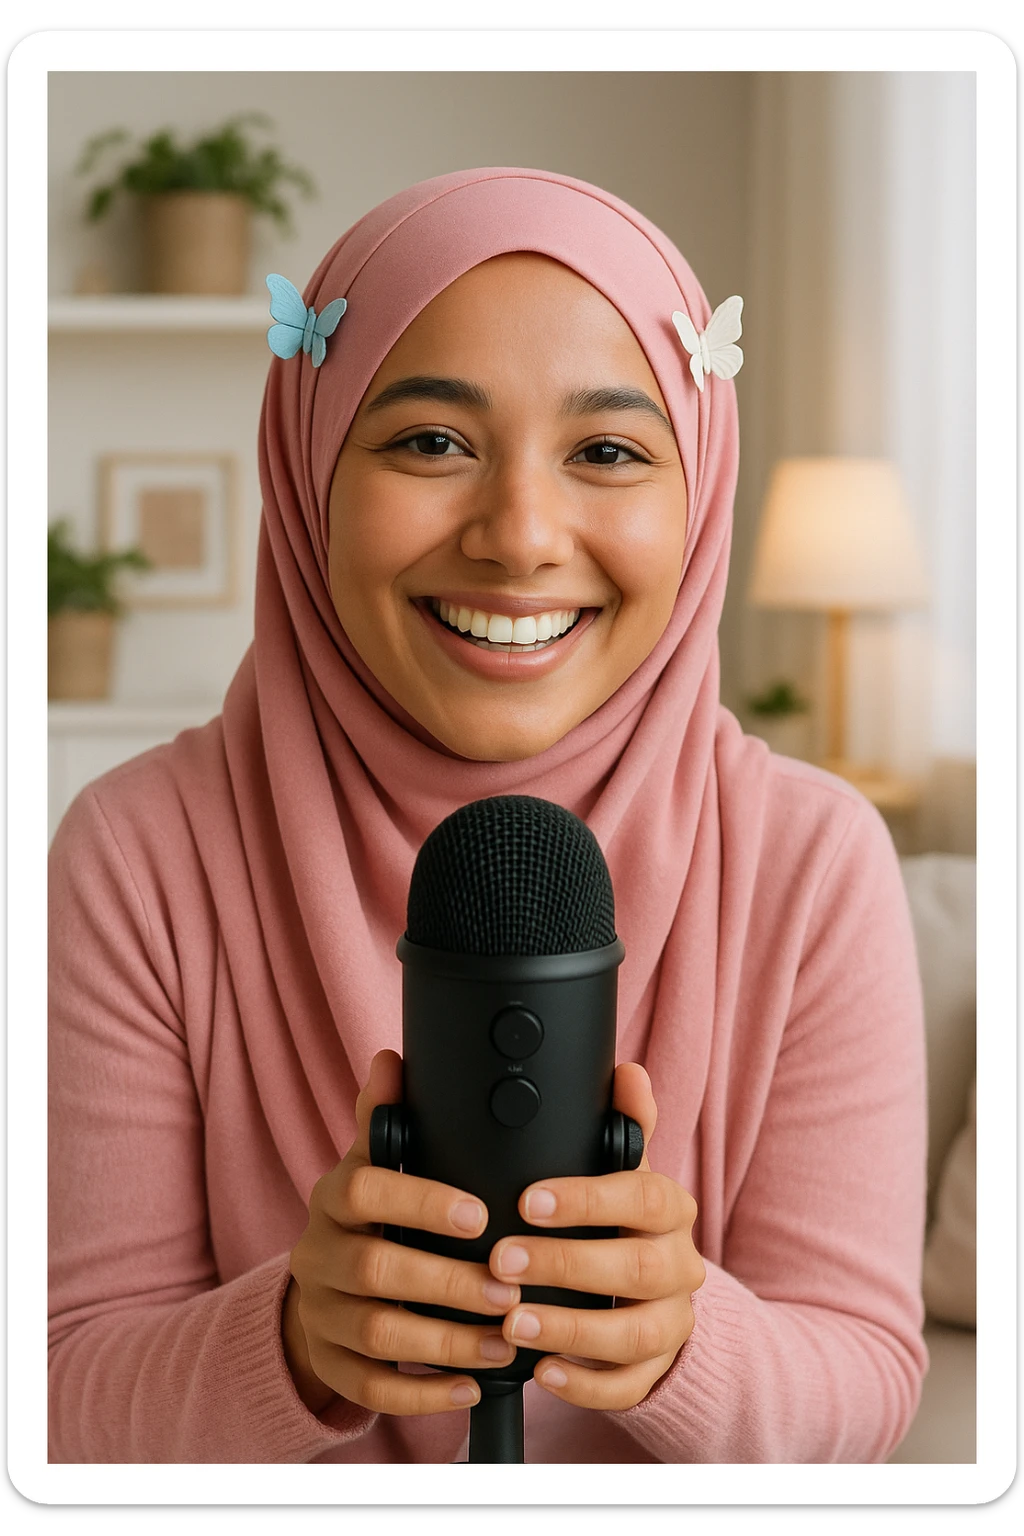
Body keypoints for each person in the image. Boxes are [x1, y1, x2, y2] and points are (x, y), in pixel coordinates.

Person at [48, 167, 928, 1465]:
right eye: (431, 442)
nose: (519, 536)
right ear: (306, 474)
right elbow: (59, 1402)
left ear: (700, 497)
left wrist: (681, 1345)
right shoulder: (138, 854)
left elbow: (869, 1382)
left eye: (609, 452)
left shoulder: (810, 859)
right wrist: (294, 1343)